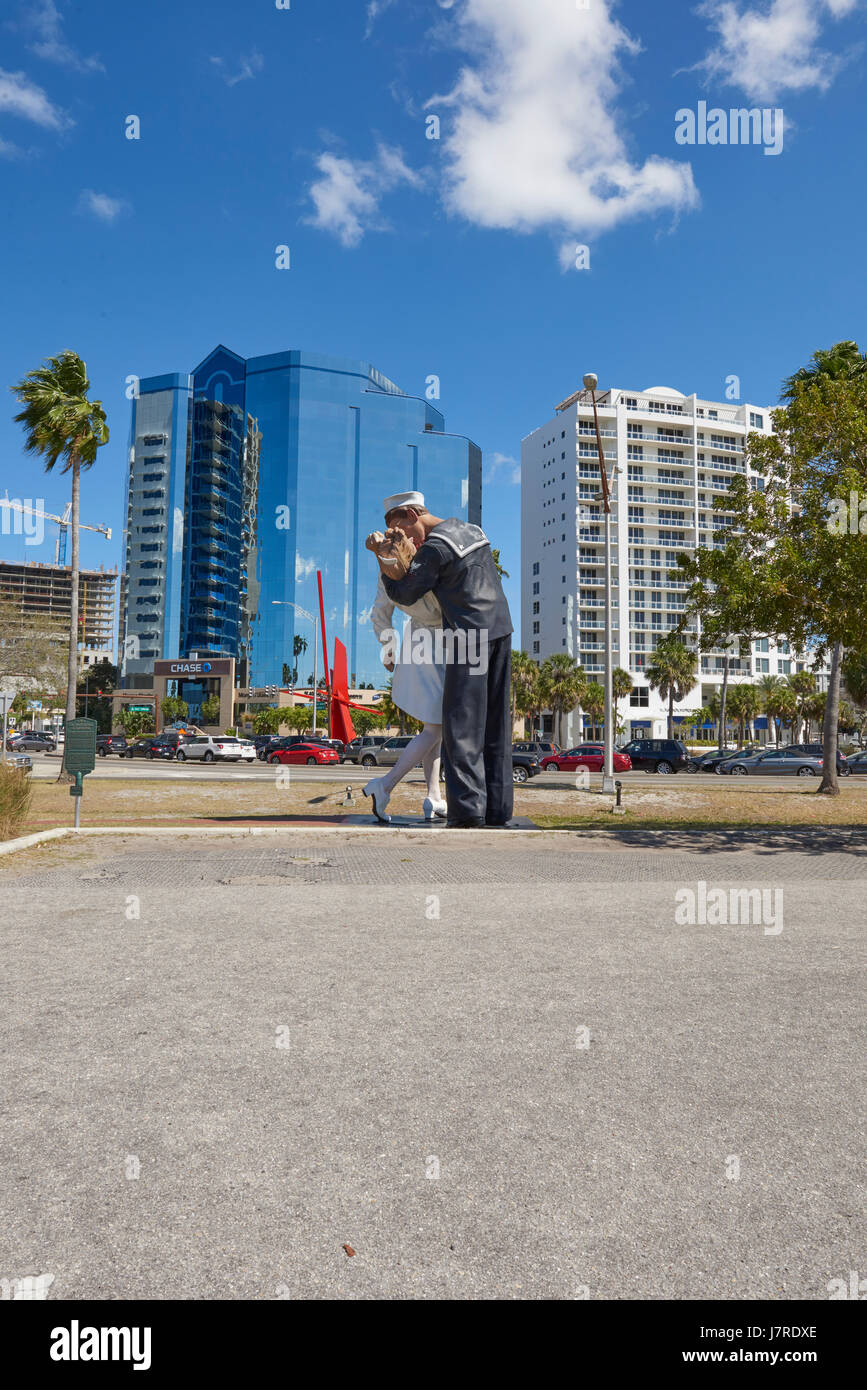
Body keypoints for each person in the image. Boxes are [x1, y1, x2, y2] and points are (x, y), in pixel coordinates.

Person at [378, 492, 514, 828]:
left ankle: (467, 812)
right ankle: (498, 809)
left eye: (404, 532)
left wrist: (386, 564)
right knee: (495, 725)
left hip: (469, 636)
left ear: (413, 513)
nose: (406, 541)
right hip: (501, 628)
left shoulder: (436, 547)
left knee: (461, 726)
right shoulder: (472, 531)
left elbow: (407, 591)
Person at [361, 505, 448, 823]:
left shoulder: (398, 564)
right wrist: (389, 649)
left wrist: (389, 649)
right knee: (435, 728)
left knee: (432, 726)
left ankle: (433, 797)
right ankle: (384, 785)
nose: (408, 537)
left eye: (406, 531)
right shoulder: (402, 563)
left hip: (422, 644)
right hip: (436, 644)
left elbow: (379, 613)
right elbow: (381, 611)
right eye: (401, 534)